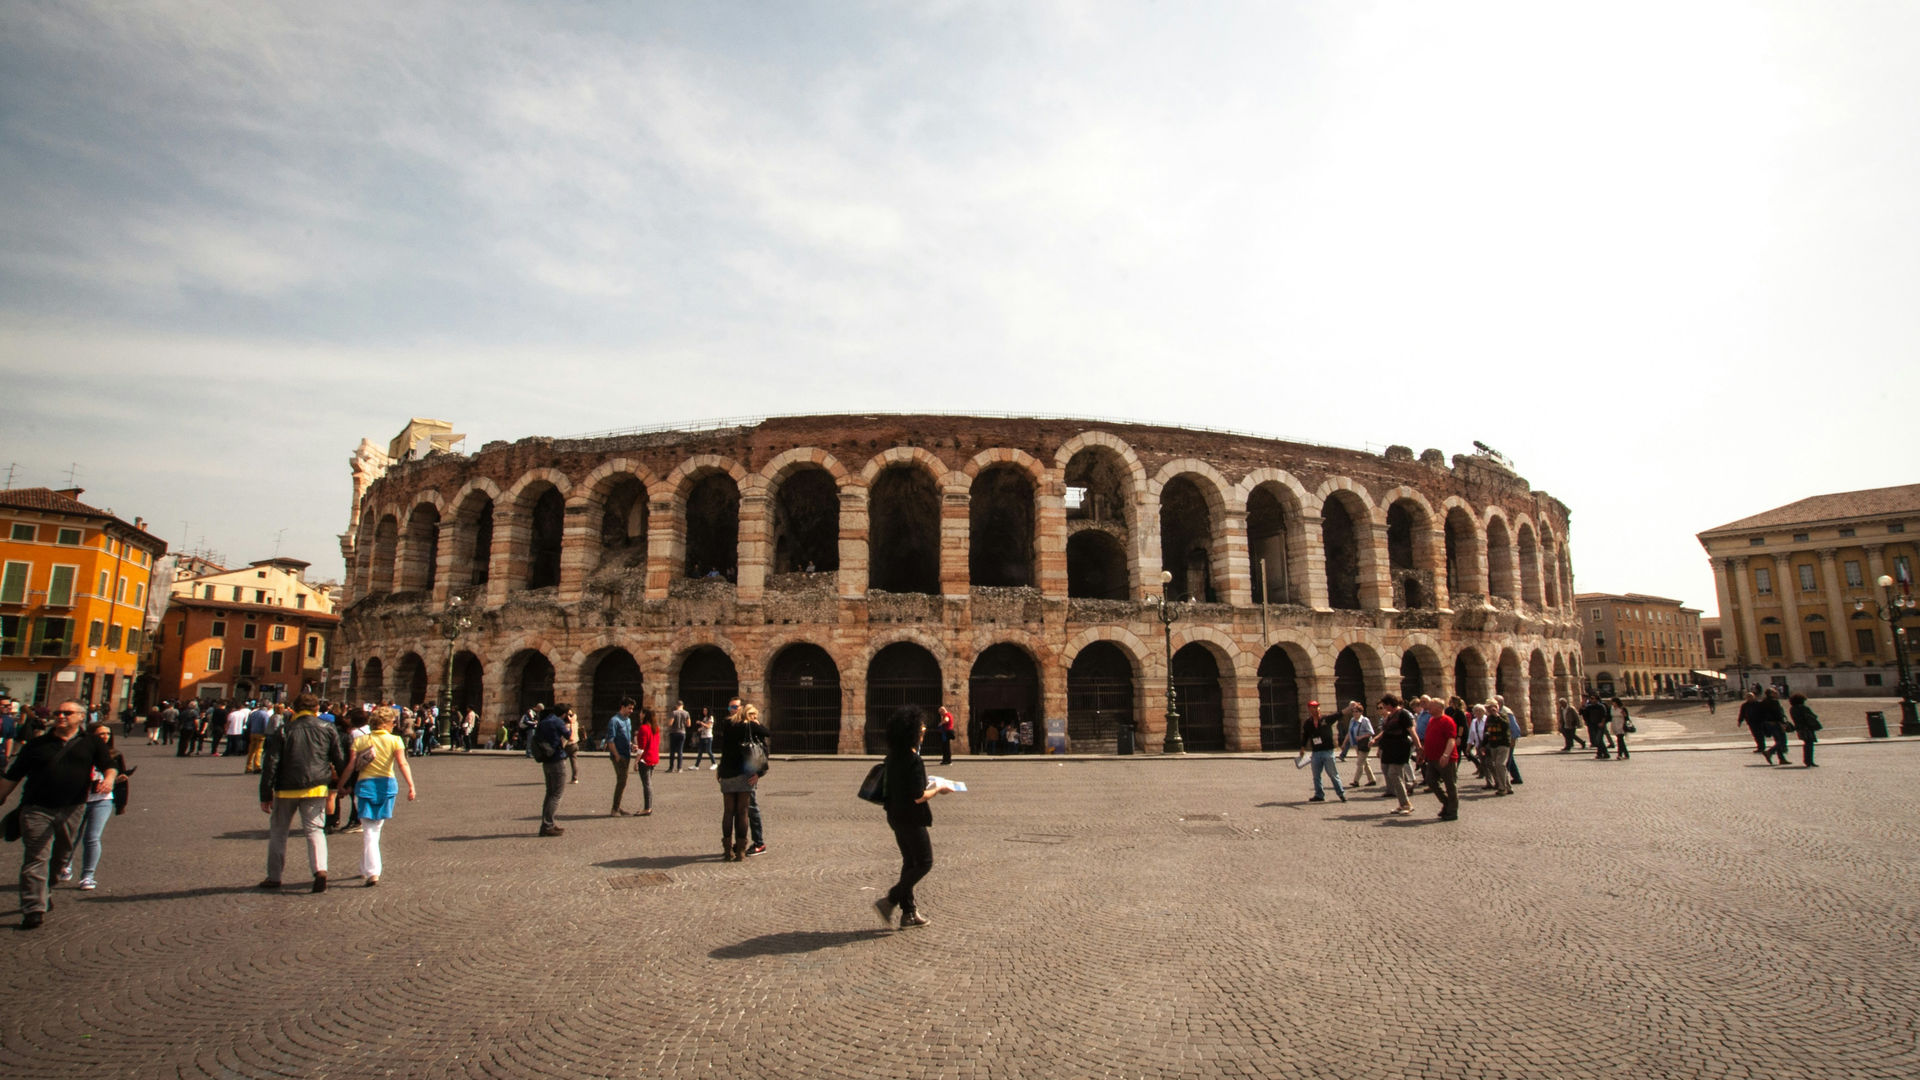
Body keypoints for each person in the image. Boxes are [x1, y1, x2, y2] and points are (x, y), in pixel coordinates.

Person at [0, 701, 117, 928]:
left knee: (62, 856)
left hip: (73, 808)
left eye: (67, 713)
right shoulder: (37, 745)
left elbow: (109, 764)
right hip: (36, 808)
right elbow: (13, 775)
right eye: (58, 712)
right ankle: (33, 908)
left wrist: (110, 780)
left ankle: (46, 887)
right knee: (36, 857)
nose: (61, 716)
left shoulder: (91, 743)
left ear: (81, 717)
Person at [258, 693, 348, 894]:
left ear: (295, 709)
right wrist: (343, 784)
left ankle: (274, 877)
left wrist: (265, 794)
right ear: (316, 709)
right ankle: (320, 870)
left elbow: (271, 763)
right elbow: (339, 758)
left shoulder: (285, 729)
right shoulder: (327, 728)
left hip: (285, 789)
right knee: (315, 831)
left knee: (279, 832)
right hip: (316, 786)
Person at [873, 705, 951, 930]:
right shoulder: (913, 760)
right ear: (912, 733)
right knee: (924, 862)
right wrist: (938, 789)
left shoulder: (892, 757)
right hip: (911, 817)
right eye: (921, 729)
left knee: (910, 862)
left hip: (895, 815)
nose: (923, 732)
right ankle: (890, 900)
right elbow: (918, 797)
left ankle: (908, 913)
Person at [337, 705, 414, 886]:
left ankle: (367, 868)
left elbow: (351, 766)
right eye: (393, 722)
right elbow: (402, 764)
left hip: (365, 786)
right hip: (387, 785)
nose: (394, 724)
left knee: (369, 829)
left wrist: (341, 784)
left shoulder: (360, 741)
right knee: (374, 830)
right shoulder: (395, 740)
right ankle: (372, 871)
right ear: (385, 723)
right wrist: (411, 785)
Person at [64, 721, 130, 891]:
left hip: (102, 800)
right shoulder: (80, 751)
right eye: (101, 734)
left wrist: (118, 785)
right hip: (78, 799)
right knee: (71, 836)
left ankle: (87, 876)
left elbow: (120, 777)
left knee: (92, 837)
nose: (105, 737)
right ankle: (65, 866)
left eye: (107, 734)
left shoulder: (114, 754)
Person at [713, 702, 768, 861]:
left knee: (728, 812)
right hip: (744, 774)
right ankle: (741, 851)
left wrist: (720, 769)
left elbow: (724, 749)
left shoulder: (727, 725)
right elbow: (767, 733)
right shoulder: (749, 726)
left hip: (727, 772)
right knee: (743, 812)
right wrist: (756, 723)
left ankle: (727, 850)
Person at [534, 704, 576, 837]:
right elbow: (570, 737)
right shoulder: (558, 722)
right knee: (556, 794)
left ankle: (547, 823)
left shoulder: (544, 721)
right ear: (564, 714)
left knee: (549, 793)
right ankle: (547, 825)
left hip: (546, 760)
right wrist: (571, 723)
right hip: (557, 760)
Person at [1375, 695, 1416, 816]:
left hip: (1400, 747)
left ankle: (1406, 804)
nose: (1383, 707)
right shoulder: (1390, 716)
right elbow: (1385, 732)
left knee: (1393, 773)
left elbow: (1411, 731)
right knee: (1395, 774)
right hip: (1389, 748)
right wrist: (1376, 740)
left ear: (1389, 704)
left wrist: (1418, 747)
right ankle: (1403, 802)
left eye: (1384, 705)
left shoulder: (1403, 714)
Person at [1421, 699, 1460, 821]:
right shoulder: (1432, 720)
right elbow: (1428, 738)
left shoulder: (1447, 721)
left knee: (1450, 785)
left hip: (1446, 759)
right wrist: (1423, 753)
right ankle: (1446, 803)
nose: (1428, 708)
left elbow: (1451, 739)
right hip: (1432, 758)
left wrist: (1446, 755)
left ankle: (1452, 811)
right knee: (1430, 781)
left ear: (1439, 708)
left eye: (1431, 706)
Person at [1300, 701, 1345, 803]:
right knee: (1316, 776)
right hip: (1316, 752)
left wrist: (1349, 708)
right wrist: (1302, 747)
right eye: (1313, 707)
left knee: (1333, 774)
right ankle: (1319, 795)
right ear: (1309, 709)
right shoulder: (1308, 723)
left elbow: (1338, 714)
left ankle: (1341, 794)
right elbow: (1305, 735)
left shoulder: (1326, 719)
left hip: (1327, 751)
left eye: (1317, 707)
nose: (1315, 709)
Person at [605, 697, 637, 816]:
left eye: (632, 708)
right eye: (629, 708)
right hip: (619, 755)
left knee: (623, 781)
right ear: (622, 707)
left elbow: (626, 738)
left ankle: (617, 806)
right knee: (621, 781)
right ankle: (614, 809)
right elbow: (610, 740)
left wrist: (631, 745)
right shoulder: (614, 721)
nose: (631, 711)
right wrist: (616, 755)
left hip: (626, 754)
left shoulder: (627, 720)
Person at [1342, 701, 1377, 787]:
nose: (1354, 713)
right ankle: (1372, 779)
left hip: (1364, 744)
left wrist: (1361, 737)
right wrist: (1344, 743)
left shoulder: (1365, 720)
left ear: (1361, 712)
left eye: (1356, 711)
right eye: (1353, 711)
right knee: (1364, 762)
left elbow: (1371, 732)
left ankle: (1356, 781)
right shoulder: (1352, 720)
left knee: (1360, 763)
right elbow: (1349, 732)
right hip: (1356, 745)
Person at [633, 708, 660, 815]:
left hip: (645, 759)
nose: (639, 714)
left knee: (647, 784)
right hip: (653, 757)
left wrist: (636, 761)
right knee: (648, 783)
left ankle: (647, 808)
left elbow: (642, 748)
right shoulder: (655, 728)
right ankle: (648, 806)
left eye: (641, 712)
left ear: (644, 715)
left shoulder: (643, 728)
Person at [1755, 688, 1790, 765]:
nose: (1777, 693)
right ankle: (1769, 752)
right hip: (1776, 723)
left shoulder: (1762, 702)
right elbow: (1778, 714)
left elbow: (1759, 714)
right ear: (1771, 694)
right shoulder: (1774, 702)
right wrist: (1782, 723)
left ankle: (1781, 758)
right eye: (1774, 692)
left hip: (1768, 723)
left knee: (1778, 741)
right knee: (1781, 741)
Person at [1483, 706, 1513, 795]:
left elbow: (1506, 725)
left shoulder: (1503, 716)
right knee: (1498, 766)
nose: (1490, 710)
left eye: (1492, 708)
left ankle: (1502, 788)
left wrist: (1497, 716)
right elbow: (1486, 732)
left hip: (1503, 744)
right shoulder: (1488, 719)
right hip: (1493, 744)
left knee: (1500, 764)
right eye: (1489, 708)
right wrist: (1483, 745)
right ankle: (1508, 787)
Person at [1788, 692, 1822, 767]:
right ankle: (1809, 761)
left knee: (1806, 744)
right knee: (1809, 744)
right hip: (1807, 728)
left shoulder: (1792, 709)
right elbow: (1813, 716)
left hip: (1799, 728)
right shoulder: (1804, 708)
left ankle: (1807, 760)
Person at [1580, 693, 1611, 760]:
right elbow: (1582, 712)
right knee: (1598, 740)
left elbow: (1604, 716)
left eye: (1592, 698)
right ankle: (1602, 754)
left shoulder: (1601, 706)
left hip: (1600, 725)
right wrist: (1582, 706)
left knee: (1598, 739)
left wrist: (1602, 723)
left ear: (1596, 699)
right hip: (1592, 725)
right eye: (1590, 699)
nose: (1591, 700)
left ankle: (1604, 754)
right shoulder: (1590, 707)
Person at [1735, 691, 1766, 756]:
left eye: (1751, 696)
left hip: (1759, 721)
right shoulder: (1744, 705)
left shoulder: (1758, 704)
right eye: (1748, 697)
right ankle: (1759, 746)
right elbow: (1742, 714)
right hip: (1751, 722)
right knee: (1755, 735)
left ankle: (1762, 747)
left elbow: (1764, 712)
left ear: (1754, 697)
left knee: (1760, 735)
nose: (1750, 698)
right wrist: (1740, 721)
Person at [245, 701, 273, 773]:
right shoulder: (265, 715)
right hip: (261, 734)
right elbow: (265, 725)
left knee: (251, 750)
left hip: (252, 733)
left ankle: (248, 766)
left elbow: (248, 723)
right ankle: (257, 766)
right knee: (259, 750)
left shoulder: (253, 713)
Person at [667, 700, 690, 773]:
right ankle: (679, 768)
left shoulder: (674, 713)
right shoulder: (686, 713)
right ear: (682, 705)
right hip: (682, 733)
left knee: (672, 751)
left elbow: (670, 723)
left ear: (677, 705)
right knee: (680, 751)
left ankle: (671, 768)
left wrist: (669, 722)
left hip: (674, 732)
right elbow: (688, 724)